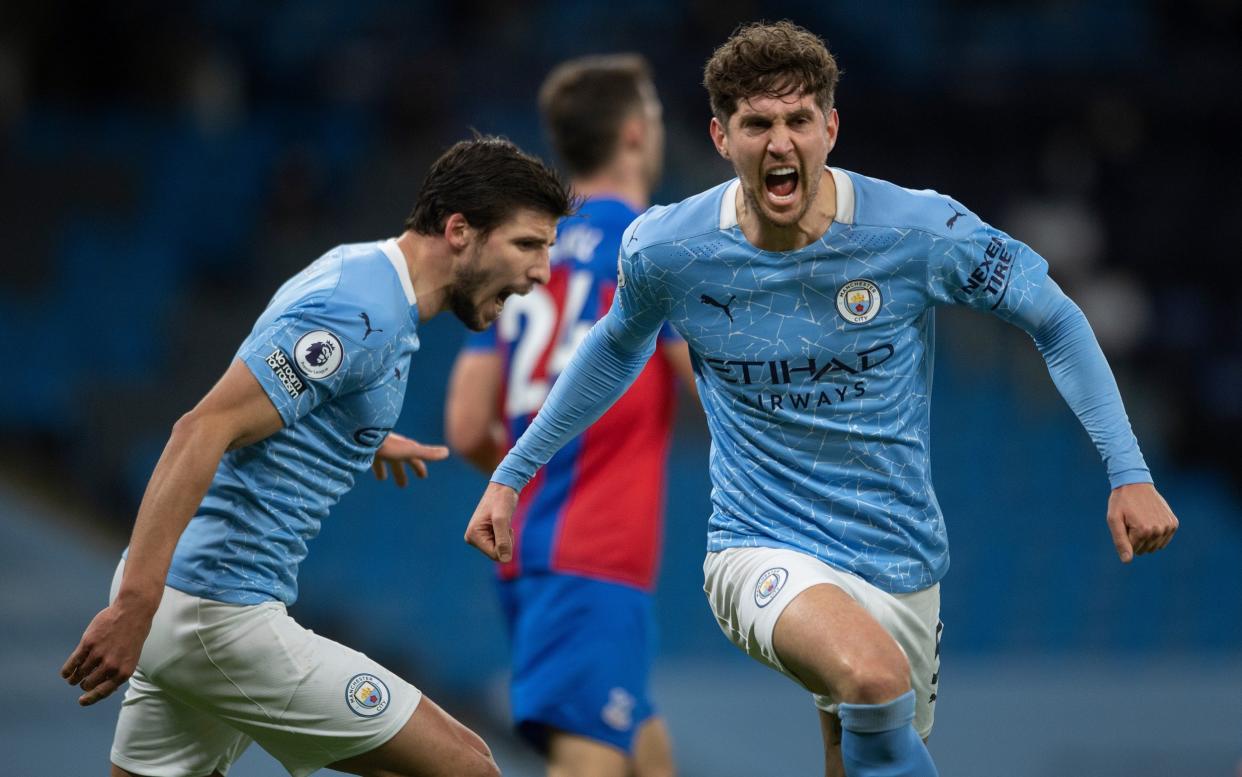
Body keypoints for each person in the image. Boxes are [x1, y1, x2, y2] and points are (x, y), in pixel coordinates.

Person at [464, 22, 1180, 777]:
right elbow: (613, 349)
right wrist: (514, 474)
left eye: (799, 120)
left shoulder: (917, 231)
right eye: (757, 124)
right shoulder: (667, 249)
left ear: (830, 127)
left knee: (860, 746)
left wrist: (1127, 470)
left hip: (900, 557)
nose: (780, 143)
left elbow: (1055, 317)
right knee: (871, 677)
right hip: (758, 543)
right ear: (719, 135)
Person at [60, 135, 574, 777]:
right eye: (527, 245)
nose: (540, 272)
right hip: (218, 611)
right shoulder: (361, 314)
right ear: (460, 230)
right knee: (467, 766)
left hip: (190, 606)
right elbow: (200, 430)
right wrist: (133, 603)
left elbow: (284, 396)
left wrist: (358, 434)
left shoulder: (360, 271)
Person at [445, 55, 691, 777]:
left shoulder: (531, 251)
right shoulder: (652, 247)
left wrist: (534, 478)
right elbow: (713, 386)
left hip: (530, 546)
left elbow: (464, 422)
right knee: (592, 760)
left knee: (647, 756)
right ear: (636, 132)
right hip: (597, 553)